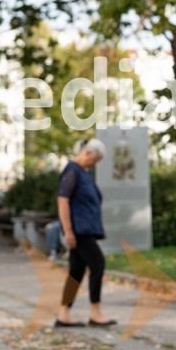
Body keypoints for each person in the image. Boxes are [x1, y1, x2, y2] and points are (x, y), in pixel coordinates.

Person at [54, 138, 117, 328]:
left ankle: (63, 314)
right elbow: (62, 200)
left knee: (76, 271)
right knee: (98, 264)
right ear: (88, 153)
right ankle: (95, 312)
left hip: (85, 228)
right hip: (79, 230)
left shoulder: (83, 172)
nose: (94, 163)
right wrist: (68, 231)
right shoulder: (72, 171)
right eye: (95, 160)